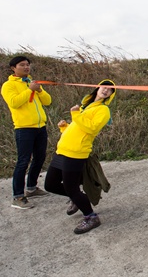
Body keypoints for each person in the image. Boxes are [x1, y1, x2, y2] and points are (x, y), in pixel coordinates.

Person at [44, 79, 116, 234]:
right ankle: (79, 199)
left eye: (110, 89)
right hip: (62, 150)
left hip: (76, 153)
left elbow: (91, 128)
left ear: (110, 95)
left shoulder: (103, 110)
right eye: (104, 86)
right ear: (97, 87)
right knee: (50, 184)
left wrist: (75, 114)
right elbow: (78, 129)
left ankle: (91, 217)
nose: (106, 90)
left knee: (71, 188)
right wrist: (65, 128)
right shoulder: (86, 106)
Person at [1, 55, 52, 209]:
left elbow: (48, 101)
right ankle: (17, 196)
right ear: (13, 68)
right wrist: (29, 90)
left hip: (40, 127)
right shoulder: (8, 85)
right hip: (24, 129)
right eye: (22, 65)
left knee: (40, 157)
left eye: (28, 64)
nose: (26, 67)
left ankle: (31, 188)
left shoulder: (32, 82)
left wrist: (39, 90)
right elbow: (14, 103)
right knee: (23, 161)